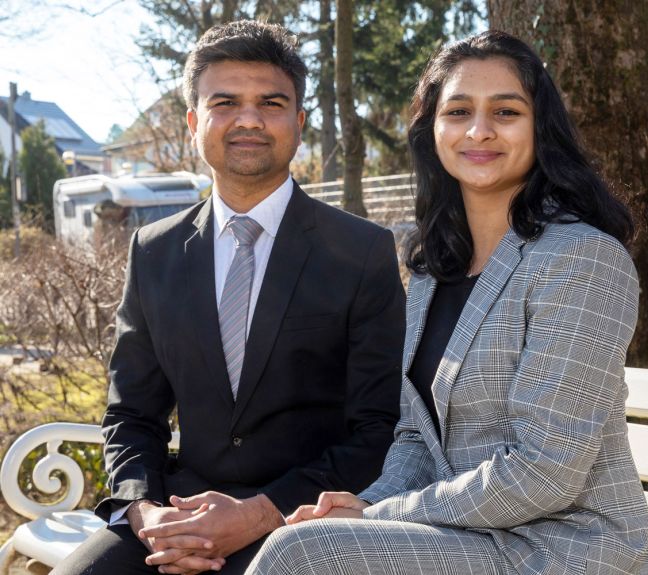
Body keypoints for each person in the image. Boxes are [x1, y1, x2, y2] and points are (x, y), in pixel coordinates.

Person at [247, 30, 648, 575]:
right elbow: (417, 435)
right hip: (467, 539)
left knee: (302, 556)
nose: (479, 130)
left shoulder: (581, 259)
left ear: (541, 127)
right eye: (458, 110)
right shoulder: (434, 268)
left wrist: (381, 516)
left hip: (567, 547)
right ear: (432, 129)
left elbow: (545, 473)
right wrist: (368, 502)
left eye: (506, 111)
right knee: (310, 538)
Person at [53, 20, 405, 575]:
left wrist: (260, 513)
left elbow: (378, 428)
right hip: (177, 513)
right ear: (195, 122)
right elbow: (131, 414)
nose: (248, 119)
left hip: (302, 524)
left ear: (299, 121)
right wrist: (144, 513)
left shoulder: (362, 251)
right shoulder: (154, 250)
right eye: (225, 102)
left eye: (270, 102)